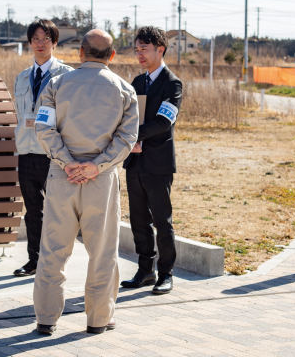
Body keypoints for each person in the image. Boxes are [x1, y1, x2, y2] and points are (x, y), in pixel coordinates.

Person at [33, 29, 139, 335]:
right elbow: (127, 137)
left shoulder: (57, 83)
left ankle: (46, 318)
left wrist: (67, 162)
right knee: (103, 251)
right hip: (101, 182)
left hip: (61, 178)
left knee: (53, 250)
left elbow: (43, 127)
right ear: (112, 56)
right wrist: (96, 166)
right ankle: (98, 319)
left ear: (81, 52)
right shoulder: (124, 89)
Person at [121, 26, 183, 295]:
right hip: (134, 160)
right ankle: (146, 270)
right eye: (137, 49)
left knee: (161, 219)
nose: (139, 54)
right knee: (138, 219)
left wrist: (129, 134)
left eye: (144, 49)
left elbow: (163, 122)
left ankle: (166, 272)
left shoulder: (172, 84)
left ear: (161, 49)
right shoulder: (136, 83)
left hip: (157, 163)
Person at [12, 19, 74, 277]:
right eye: (35, 39)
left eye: (45, 38)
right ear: (29, 43)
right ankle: (34, 260)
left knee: (58, 210)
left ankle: (56, 261)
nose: (40, 43)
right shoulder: (22, 77)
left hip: (52, 154)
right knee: (32, 210)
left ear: (54, 42)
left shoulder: (67, 75)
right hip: (26, 152)